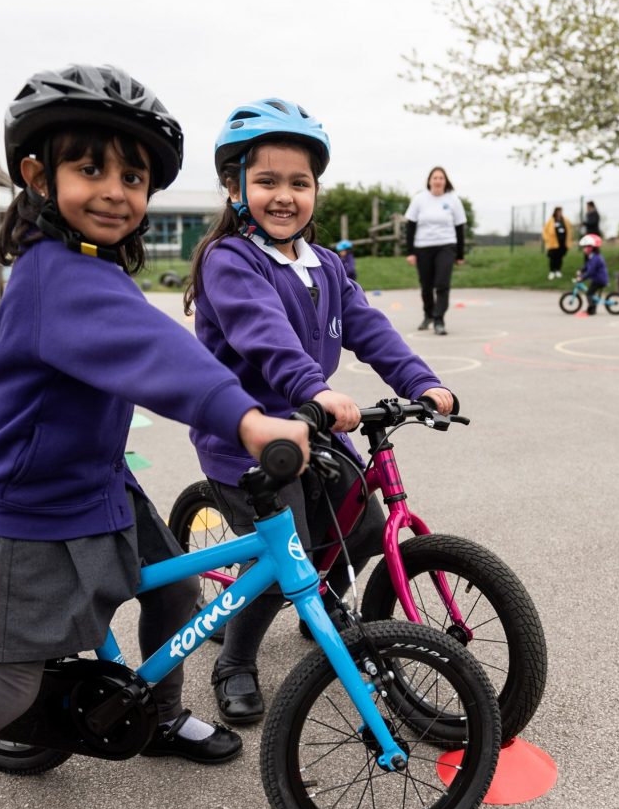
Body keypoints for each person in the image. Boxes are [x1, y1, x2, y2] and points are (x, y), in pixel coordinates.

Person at [0, 66, 309, 809]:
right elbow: (157, 350)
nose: (114, 189)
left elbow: (151, 348)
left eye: (132, 175)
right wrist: (245, 418)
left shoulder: (95, 267)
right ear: (38, 175)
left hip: (100, 484)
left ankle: (161, 719)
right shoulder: (54, 276)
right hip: (28, 507)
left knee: (173, 593)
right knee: (3, 685)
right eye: (90, 167)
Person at [183, 98, 454, 726]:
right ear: (235, 186)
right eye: (267, 181)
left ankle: (323, 606)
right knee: (287, 559)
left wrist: (421, 379)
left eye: (299, 183)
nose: (285, 196)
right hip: (250, 435)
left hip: (316, 427)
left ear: (316, 191)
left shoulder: (325, 264)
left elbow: (371, 328)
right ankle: (235, 661)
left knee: (362, 528)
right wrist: (315, 387)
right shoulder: (232, 260)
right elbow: (264, 334)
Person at [404, 166, 466, 335]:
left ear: (445, 181)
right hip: (423, 246)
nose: (438, 181)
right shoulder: (419, 199)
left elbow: (460, 228)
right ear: (430, 181)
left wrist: (460, 254)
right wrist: (410, 252)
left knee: (442, 284)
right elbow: (410, 226)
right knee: (426, 285)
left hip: (446, 245)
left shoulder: (453, 200)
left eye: (441, 178)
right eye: (435, 178)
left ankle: (439, 319)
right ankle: (428, 314)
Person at [574, 233, 609, 315]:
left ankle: (591, 310)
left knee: (589, 293)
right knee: (591, 293)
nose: (583, 249)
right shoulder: (593, 256)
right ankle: (593, 308)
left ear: (590, 248)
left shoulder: (595, 258)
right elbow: (587, 266)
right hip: (598, 279)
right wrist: (581, 270)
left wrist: (582, 278)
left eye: (585, 247)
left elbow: (591, 271)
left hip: (599, 280)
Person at [542, 206, 571, 280]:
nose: (560, 213)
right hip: (553, 243)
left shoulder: (564, 220)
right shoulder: (551, 220)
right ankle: (552, 271)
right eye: (558, 211)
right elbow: (545, 231)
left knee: (560, 257)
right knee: (552, 258)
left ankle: (558, 270)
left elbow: (569, 229)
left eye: (560, 211)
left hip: (562, 243)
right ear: (555, 212)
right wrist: (547, 239)